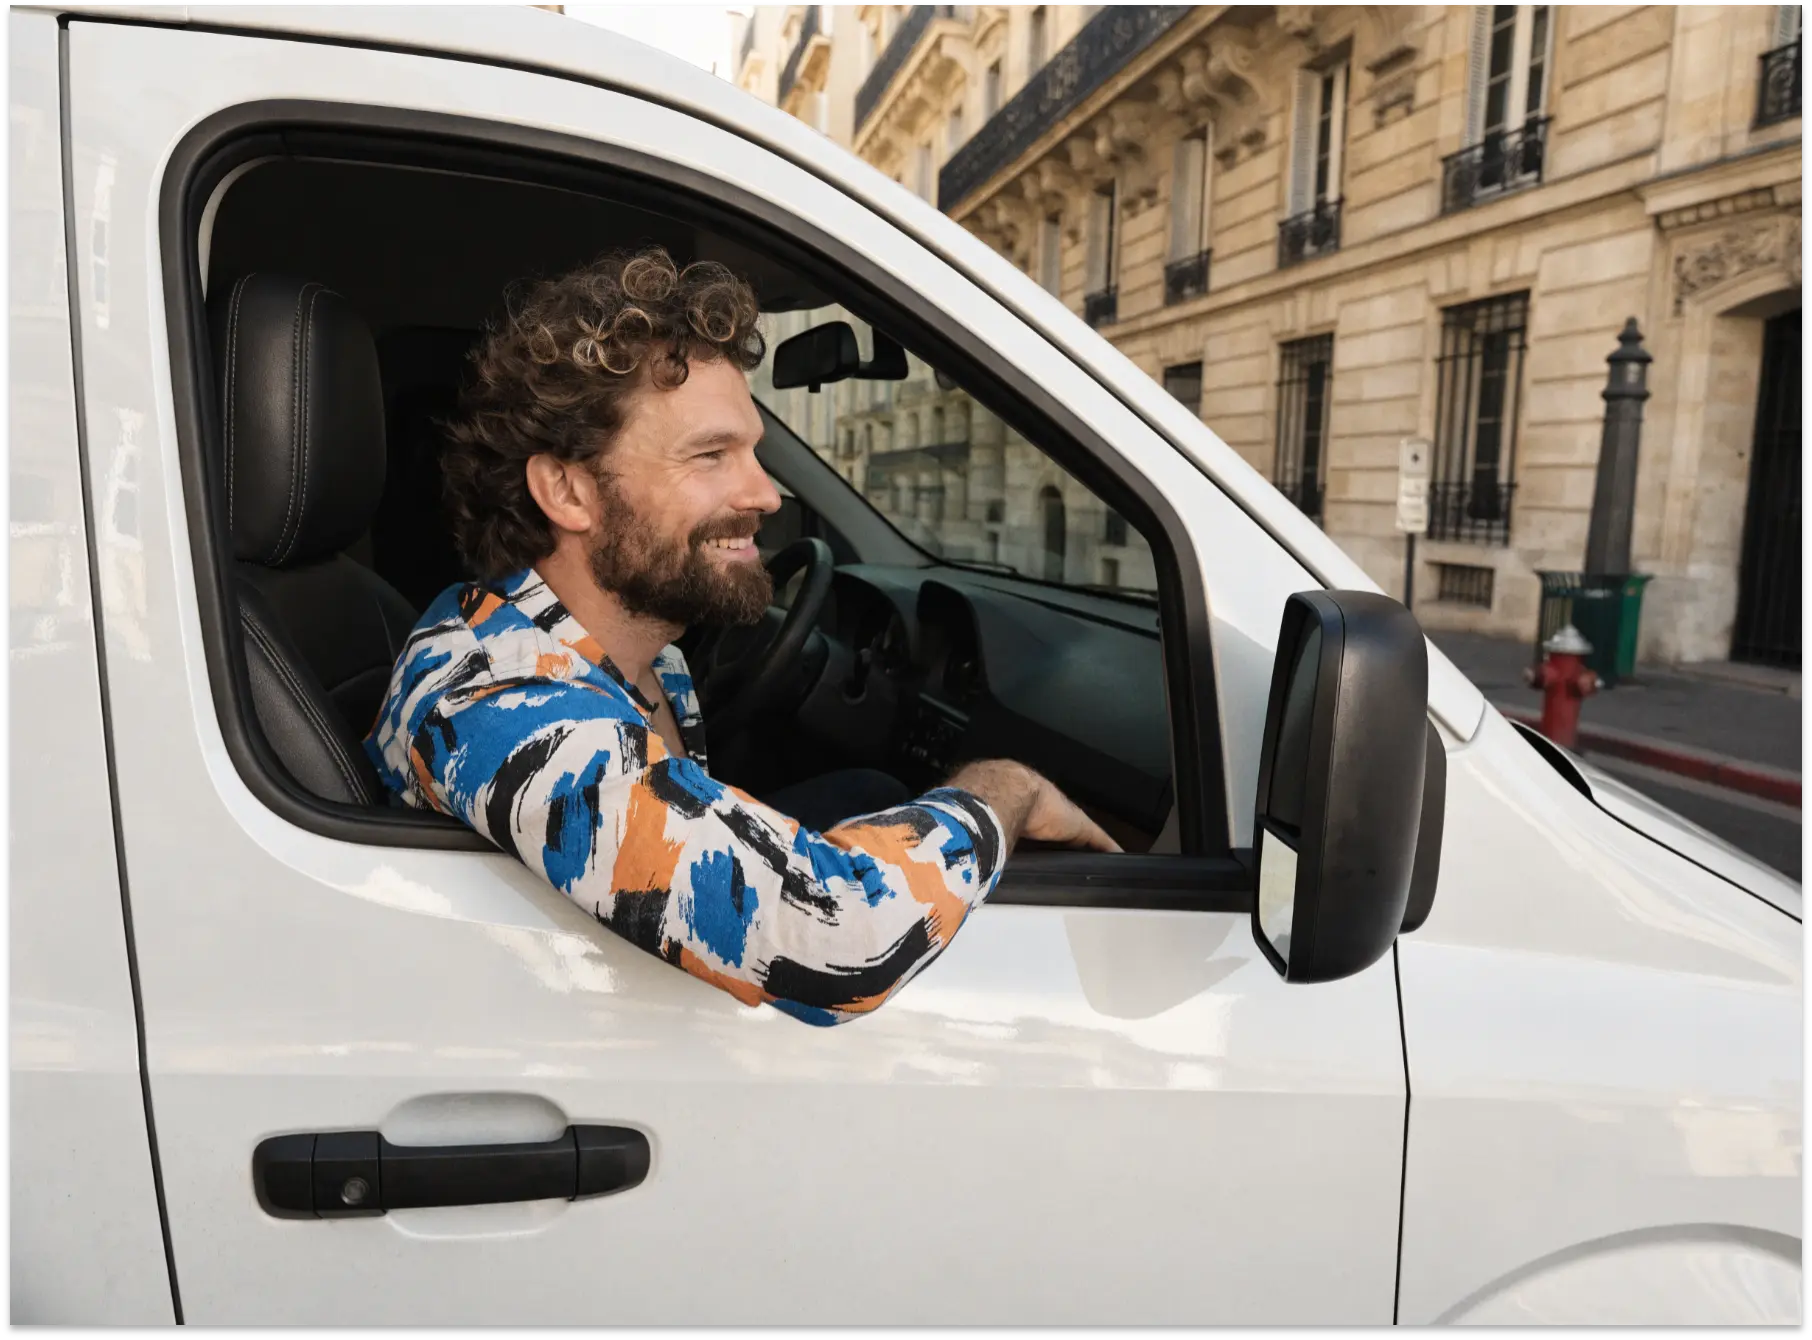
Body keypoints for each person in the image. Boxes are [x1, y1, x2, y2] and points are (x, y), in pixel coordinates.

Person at [366, 247, 1118, 1026]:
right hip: (571, 1061)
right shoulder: (501, 701)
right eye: (711, 456)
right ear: (567, 490)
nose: (764, 494)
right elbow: (839, 941)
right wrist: (1008, 788)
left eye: (753, 451)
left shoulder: (636, 648)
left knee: (870, 795)